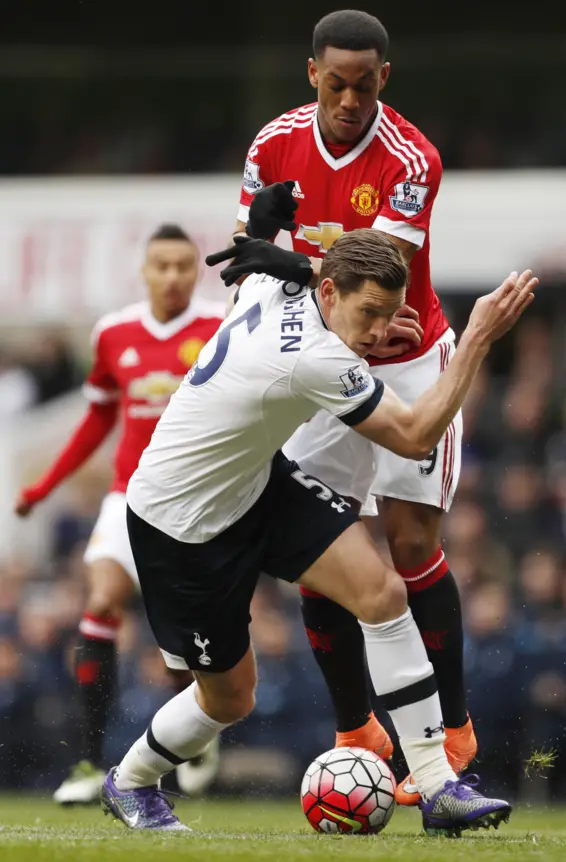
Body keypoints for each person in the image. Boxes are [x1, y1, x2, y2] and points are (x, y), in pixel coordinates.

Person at [100, 228, 537, 835]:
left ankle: (439, 787)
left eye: (389, 313)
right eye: (370, 313)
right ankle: (129, 781)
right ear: (328, 291)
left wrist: (266, 228)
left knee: (382, 594)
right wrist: (477, 341)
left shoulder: (279, 283)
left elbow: (282, 266)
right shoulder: (313, 358)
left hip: (253, 481)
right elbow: (413, 436)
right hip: (183, 524)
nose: (381, 332)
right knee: (231, 699)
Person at [232, 9, 474, 805]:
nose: (347, 98)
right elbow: (248, 257)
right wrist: (265, 258)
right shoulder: (273, 144)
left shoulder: (412, 158)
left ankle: (456, 728)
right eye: (334, 83)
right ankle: (354, 730)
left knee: (409, 545)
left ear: (383, 80)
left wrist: (284, 256)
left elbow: (377, 283)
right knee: (316, 545)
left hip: (408, 362)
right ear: (312, 74)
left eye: (362, 85)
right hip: (327, 363)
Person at [14, 224, 223, 804]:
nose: (175, 276)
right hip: (128, 494)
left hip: (198, 499)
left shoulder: (219, 326)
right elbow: (98, 418)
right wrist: (44, 486)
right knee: (101, 601)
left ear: (195, 271)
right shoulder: (113, 334)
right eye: (163, 265)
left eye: (185, 265)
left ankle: (199, 731)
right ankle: (87, 760)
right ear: (146, 271)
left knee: (180, 641)